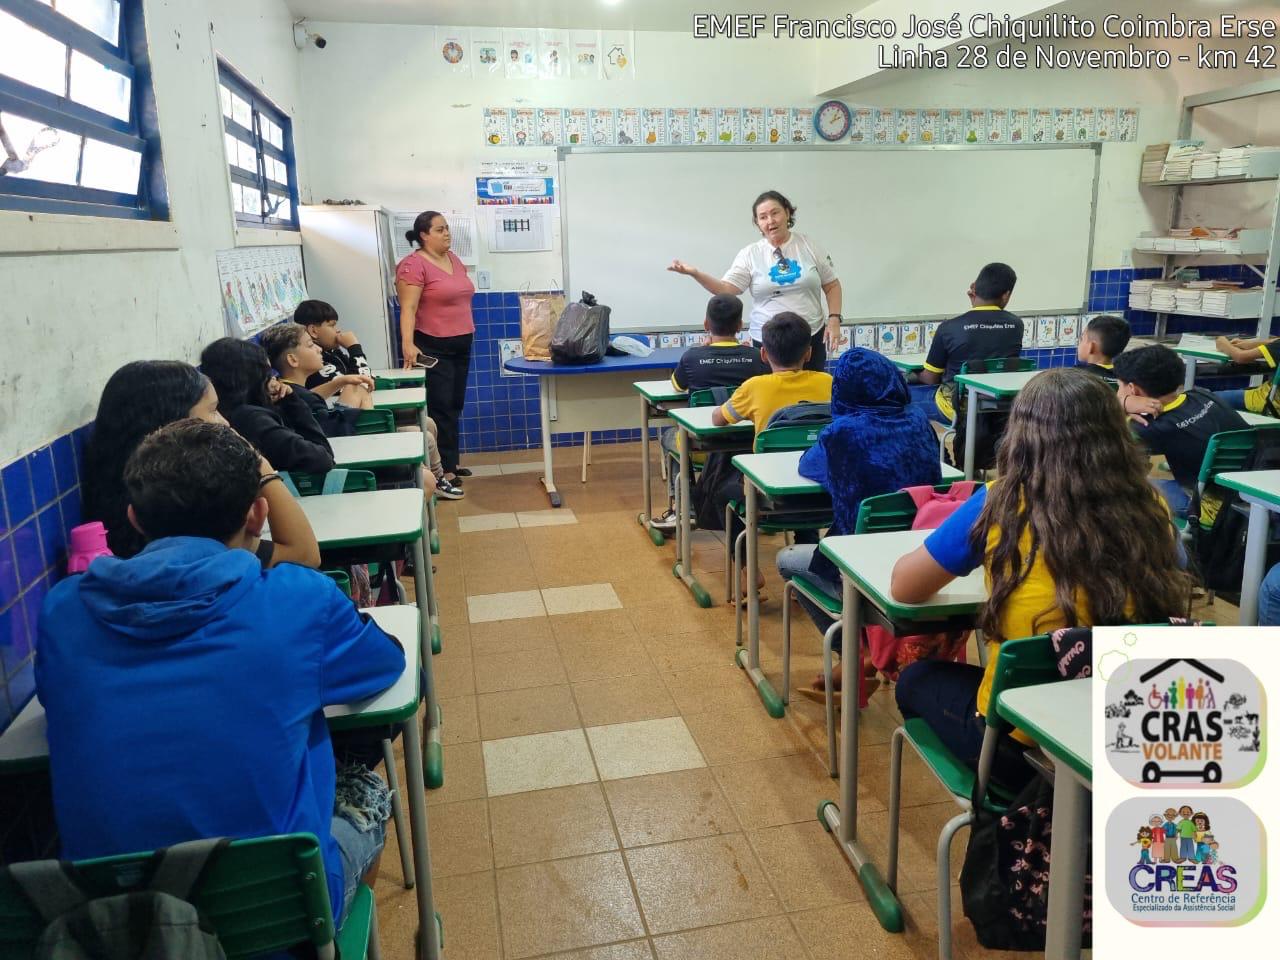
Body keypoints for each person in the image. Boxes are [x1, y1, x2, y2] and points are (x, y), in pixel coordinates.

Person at [36, 420, 405, 926]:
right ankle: (329, 940)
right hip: (273, 917)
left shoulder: (61, 612)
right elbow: (385, 663)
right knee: (364, 794)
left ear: (134, 520)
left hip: (113, 922)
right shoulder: (297, 601)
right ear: (258, 514)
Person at [889, 369, 1190, 789]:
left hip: (1026, 749)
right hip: (1133, 727)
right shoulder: (1151, 505)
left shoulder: (999, 503)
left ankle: (1002, 813)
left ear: (1021, 434)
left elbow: (905, 586)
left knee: (915, 680)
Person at [774, 347, 942, 694]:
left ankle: (855, 654)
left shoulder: (843, 433)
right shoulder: (919, 421)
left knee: (787, 560)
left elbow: (808, 466)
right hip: (921, 560)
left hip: (862, 568)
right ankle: (864, 653)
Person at [81, 360, 318, 568]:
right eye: (213, 411)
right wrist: (259, 464)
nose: (224, 423)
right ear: (175, 423)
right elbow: (304, 554)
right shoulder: (190, 501)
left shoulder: (120, 501)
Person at [706, 312, 833, 599]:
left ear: (763, 353)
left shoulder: (755, 387)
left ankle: (749, 570)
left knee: (720, 493)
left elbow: (717, 419)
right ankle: (807, 573)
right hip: (823, 493)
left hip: (769, 496)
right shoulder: (828, 383)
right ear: (809, 352)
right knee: (804, 479)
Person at [668, 189, 843, 372]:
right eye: (763, 217)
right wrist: (696, 273)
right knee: (771, 396)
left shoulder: (809, 246)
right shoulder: (750, 254)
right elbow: (726, 289)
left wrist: (834, 319)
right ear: (758, 224)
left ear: (788, 213)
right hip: (768, 342)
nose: (770, 221)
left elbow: (832, 285)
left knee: (813, 395)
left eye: (775, 213)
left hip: (810, 338)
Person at [651, 294, 764, 532]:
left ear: (706, 325)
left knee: (669, 437)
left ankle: (684, 511)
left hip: (701, 447)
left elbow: (678, 386)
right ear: (740, 326)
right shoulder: (757, 358)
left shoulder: (692, 357)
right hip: (749, 445)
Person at [1112, 344, 1246, 521]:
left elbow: (1108, 462)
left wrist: (1119, 406)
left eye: (1120, 387)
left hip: (1206, 507)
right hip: (1242, 489)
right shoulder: (1202, 396)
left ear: (1133, 390)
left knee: (1131, 487)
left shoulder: (1147, 428)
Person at [396, 211, 475, 479]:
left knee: (454, 404)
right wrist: (408, 344)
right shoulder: (412, 265)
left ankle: (451, 463)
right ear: (424, 235)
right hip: (432, 344)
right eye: (439, 230)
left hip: (462, 342)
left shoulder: (453, 259)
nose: (446, 233)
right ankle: (442, 472)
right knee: (439, 406)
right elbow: (408, 308)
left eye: (447, 228)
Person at [201, 337, 335, 474]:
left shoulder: (224, 412)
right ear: (255, 377)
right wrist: (293, 403)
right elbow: (324, 459)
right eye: (268, 373)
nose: (273, 379)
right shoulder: (253, 419)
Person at [918, 262, 1023, 422]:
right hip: (999, 408)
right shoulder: (1016, 325)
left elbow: (930, 379)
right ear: (1006, 295)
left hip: (957, 410)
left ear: (975, 289)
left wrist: (911, 374)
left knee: (906, 397)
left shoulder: (949, 328)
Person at [260, 323, 371, 435]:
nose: (319, 349)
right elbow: (335, 432)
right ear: (293, 360)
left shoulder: (284, 388)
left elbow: (307, 396)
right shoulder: (304, 399)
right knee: (360, 390)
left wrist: (341, 381)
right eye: (310, 345)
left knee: (355, 387)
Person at [295, 298, 374, 385]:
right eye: (332, 326)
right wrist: (354, 348)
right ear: (313, 331)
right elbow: (360, 384)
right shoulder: (314, 361)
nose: (338, 330)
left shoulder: (333, 352)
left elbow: (364, 376)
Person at [1213, 333, 1280, 414]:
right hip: (1270, 396)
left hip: (1269, 403)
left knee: (1209, 400)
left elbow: (1240, 357)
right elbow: (1274, 341)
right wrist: (1247, 344)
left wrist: (1223, 343)